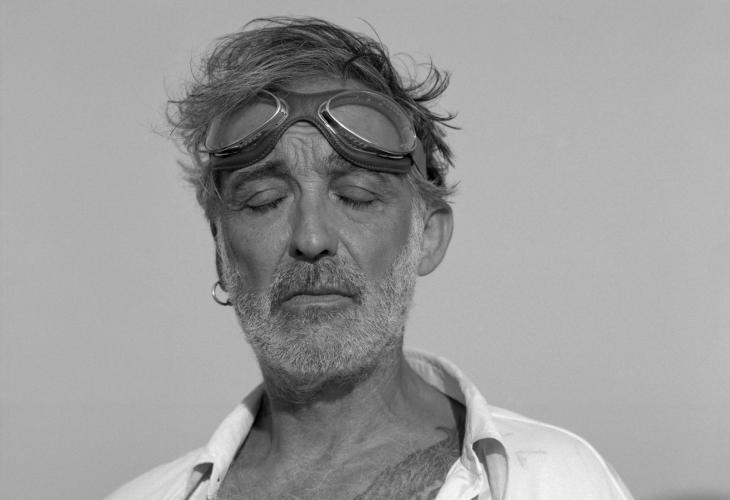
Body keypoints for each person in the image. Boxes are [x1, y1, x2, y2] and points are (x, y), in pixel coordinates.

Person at [107, 17, 633, 500]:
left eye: (356, 197)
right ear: (220, 252)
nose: (311, 237)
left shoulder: (558, 481)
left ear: (427, 236)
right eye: (264, 201)